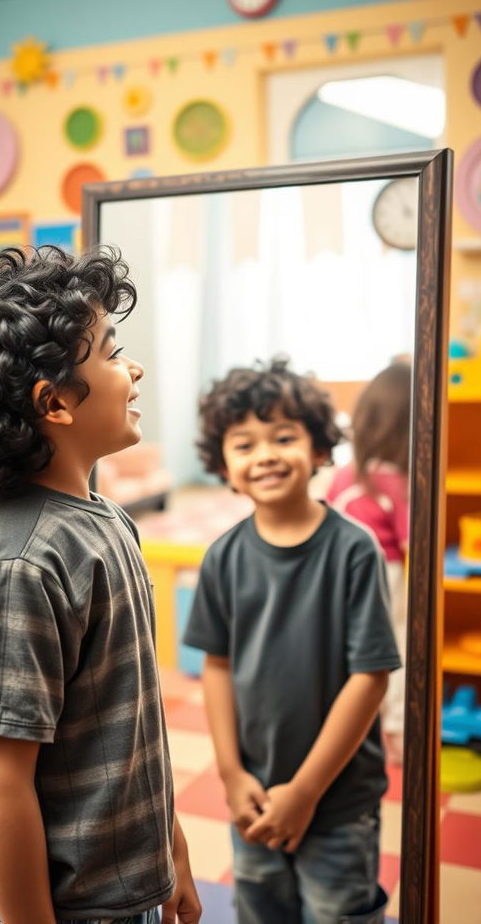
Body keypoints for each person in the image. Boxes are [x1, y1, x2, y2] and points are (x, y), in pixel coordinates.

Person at [0, 246, 201, 924]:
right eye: (112, 354)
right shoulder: (22, 564)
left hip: (126, 883)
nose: (133, 369)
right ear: (54, 403)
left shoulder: (103, 516)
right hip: (67, 907)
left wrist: (167, 851)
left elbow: (133, 720)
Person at [183, 357, 400, 924]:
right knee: (260, 911)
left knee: (336, 911)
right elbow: (217, 667)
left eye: (284, 437)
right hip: (254, 794)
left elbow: (370, 676)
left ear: (321, 450)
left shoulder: (354, 550)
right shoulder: (222, 559)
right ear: (224, 466)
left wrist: (305, 792)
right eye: (245, 444)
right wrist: (231, 776)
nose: (267, 455)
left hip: (336, 799)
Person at [327, 362, 411, 765]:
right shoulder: (398, 480)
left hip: (337, 569)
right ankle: (394, 731)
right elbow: (414, 541)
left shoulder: (346, 473)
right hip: (385, 571)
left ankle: (356, 726)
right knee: (391, 647)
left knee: (349, 647)